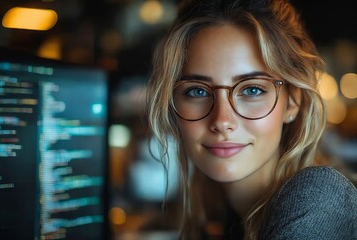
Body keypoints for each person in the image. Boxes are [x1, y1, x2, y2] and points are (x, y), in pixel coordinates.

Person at [146, 0, 357, 239]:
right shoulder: (226, 218)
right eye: (198, 91)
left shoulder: (320, 201)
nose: (222, 121)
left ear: (292, 102)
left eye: (252, 90)